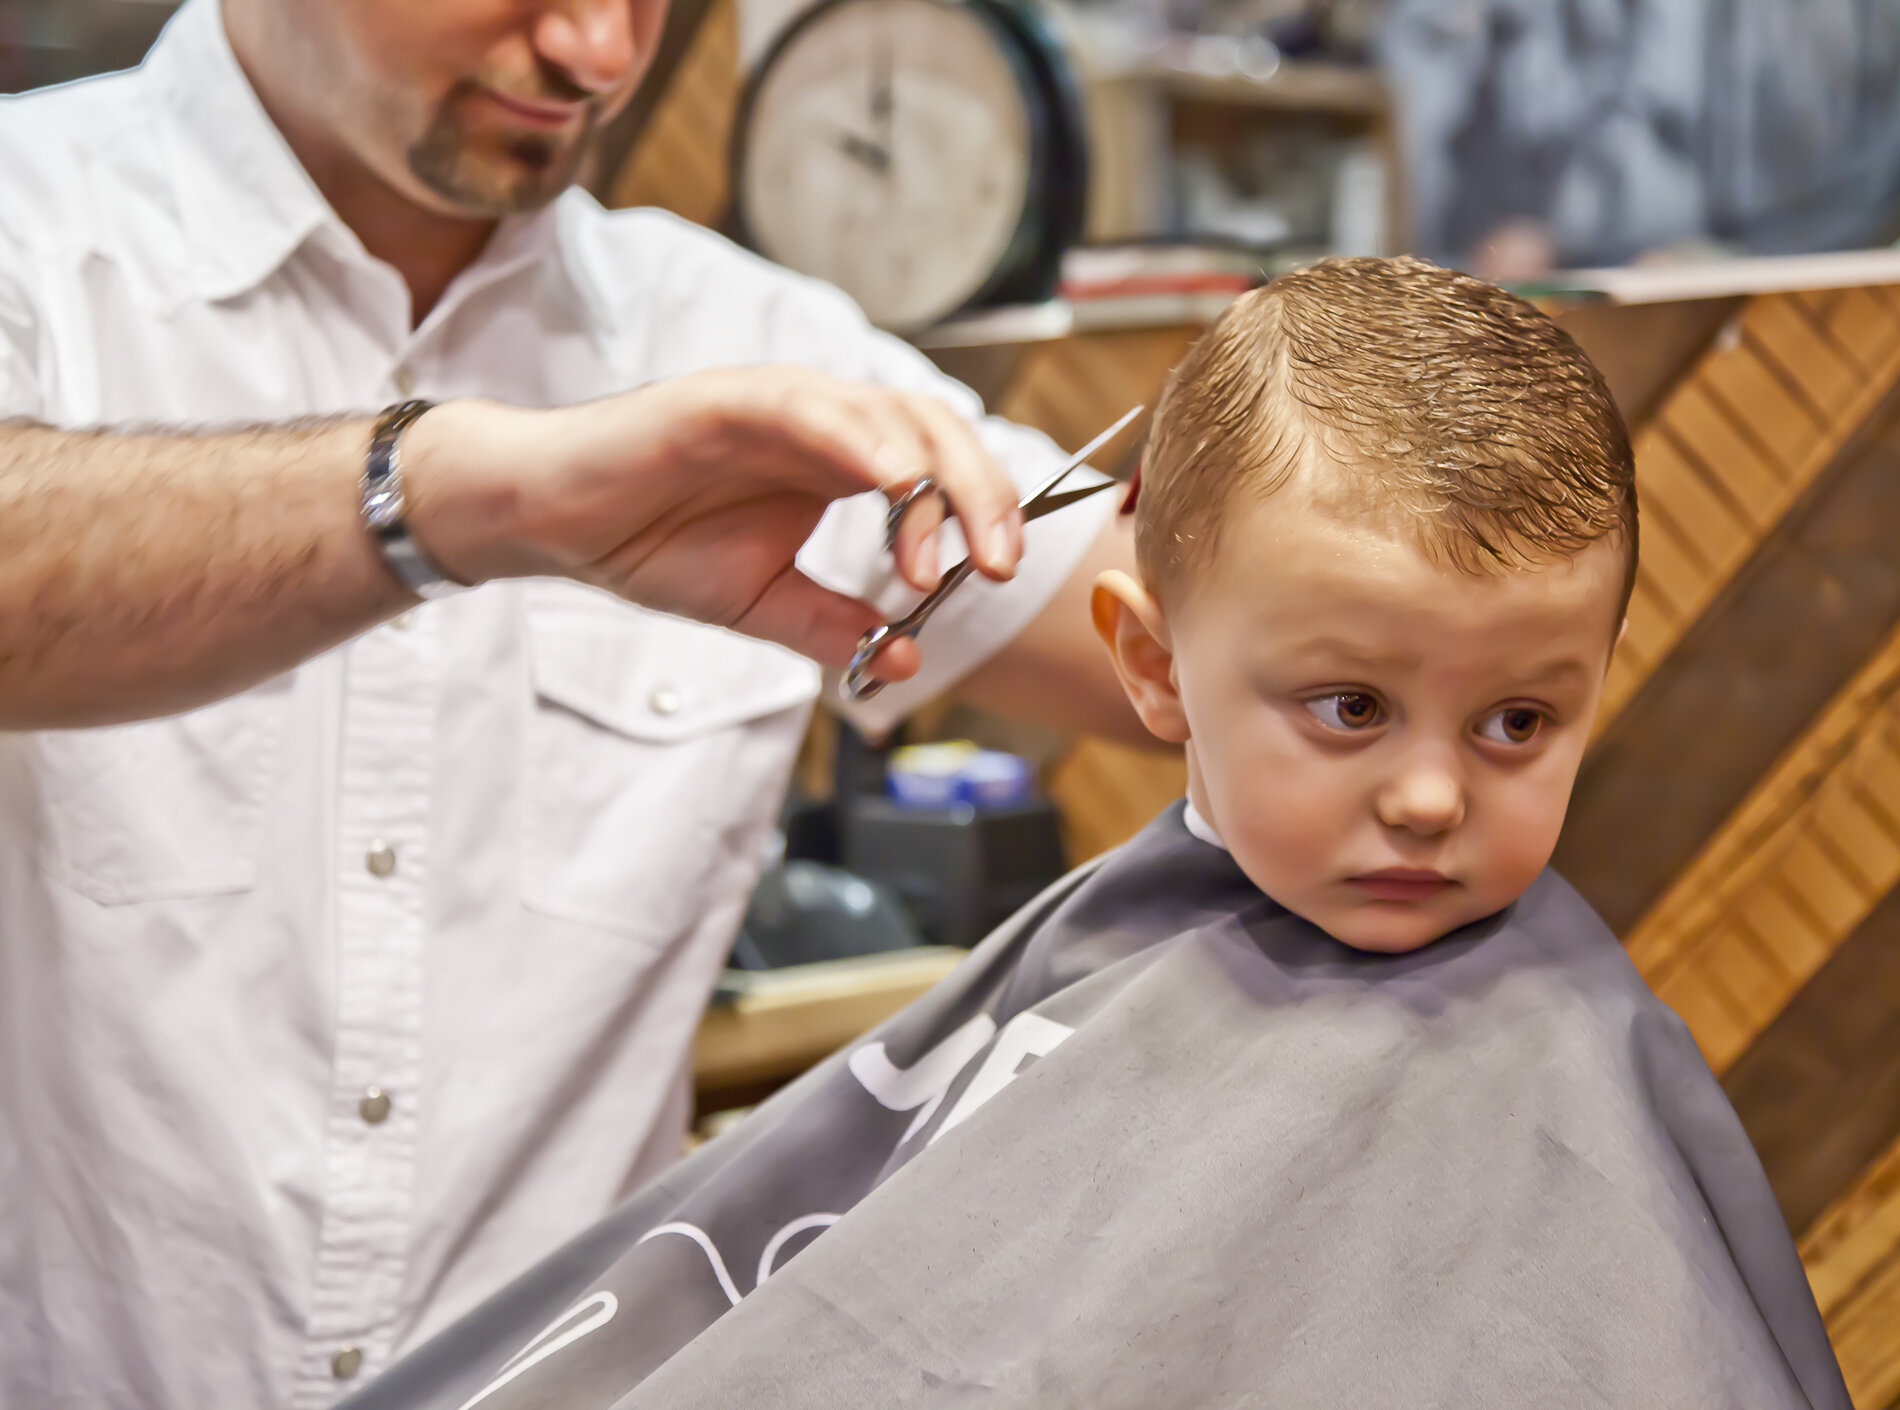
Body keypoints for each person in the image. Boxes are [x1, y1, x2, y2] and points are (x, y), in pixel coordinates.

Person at [334, 257, 1850, 1410]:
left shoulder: (1568, 1064)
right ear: (1148, 665)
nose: (1434, 795)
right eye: (1350, 708)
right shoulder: (1093, 961)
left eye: (1519, 721)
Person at [0, 1, 1145, 1405]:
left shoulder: (737, 343)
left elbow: (1192, 649)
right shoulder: (32, 236)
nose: (601, 57)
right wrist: (446, 498)